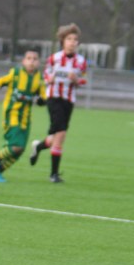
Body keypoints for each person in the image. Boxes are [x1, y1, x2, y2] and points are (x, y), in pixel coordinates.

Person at [29, 23, 87, 183]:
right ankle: (53, 175)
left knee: (54, 138)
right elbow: (45, 76)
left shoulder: (81, 61)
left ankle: (38, 147)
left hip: (69, 100)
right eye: (69, 39)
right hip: (54, 98)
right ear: (63, 41)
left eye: (75, 39)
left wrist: (77, 80)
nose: (72, 42)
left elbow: (83, 80)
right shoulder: (54, 58)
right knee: (61, 134)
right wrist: (50, 79)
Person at [0, 48, 47, 183]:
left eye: (35, 59)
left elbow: (43, 96)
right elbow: (3, 80)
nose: (31, 62)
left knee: (20, 150)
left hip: (25, 118)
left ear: (38, 63)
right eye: (29, 58)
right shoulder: (16, 73)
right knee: (16, 145)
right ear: (23, 61)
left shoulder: (39, 79)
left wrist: (42, 101)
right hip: (11, 114)